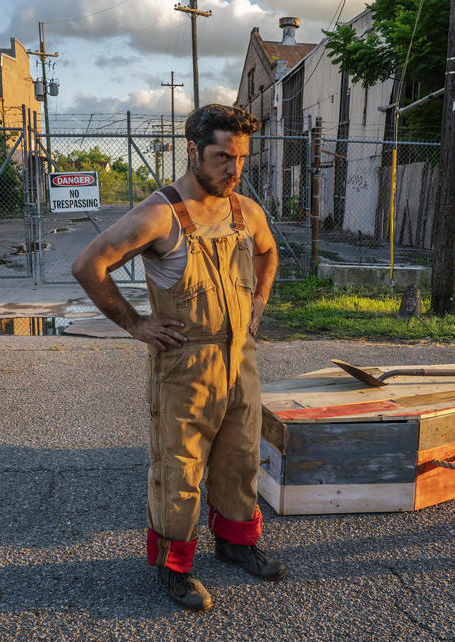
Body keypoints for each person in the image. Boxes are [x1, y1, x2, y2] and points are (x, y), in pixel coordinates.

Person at [71, 104, 285, 611]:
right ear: (193, 151)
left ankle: (235, 544)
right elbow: (88, 264)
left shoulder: (243, 211)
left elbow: (267, 252)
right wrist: (137, 325)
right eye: (222, 158)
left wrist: (258, 303)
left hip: (241, 362)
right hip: (185, 368)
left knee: (240, 462)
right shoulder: (160, 214)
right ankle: (174, 569)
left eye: (241, 160)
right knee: (179, 471)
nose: (233, 170)